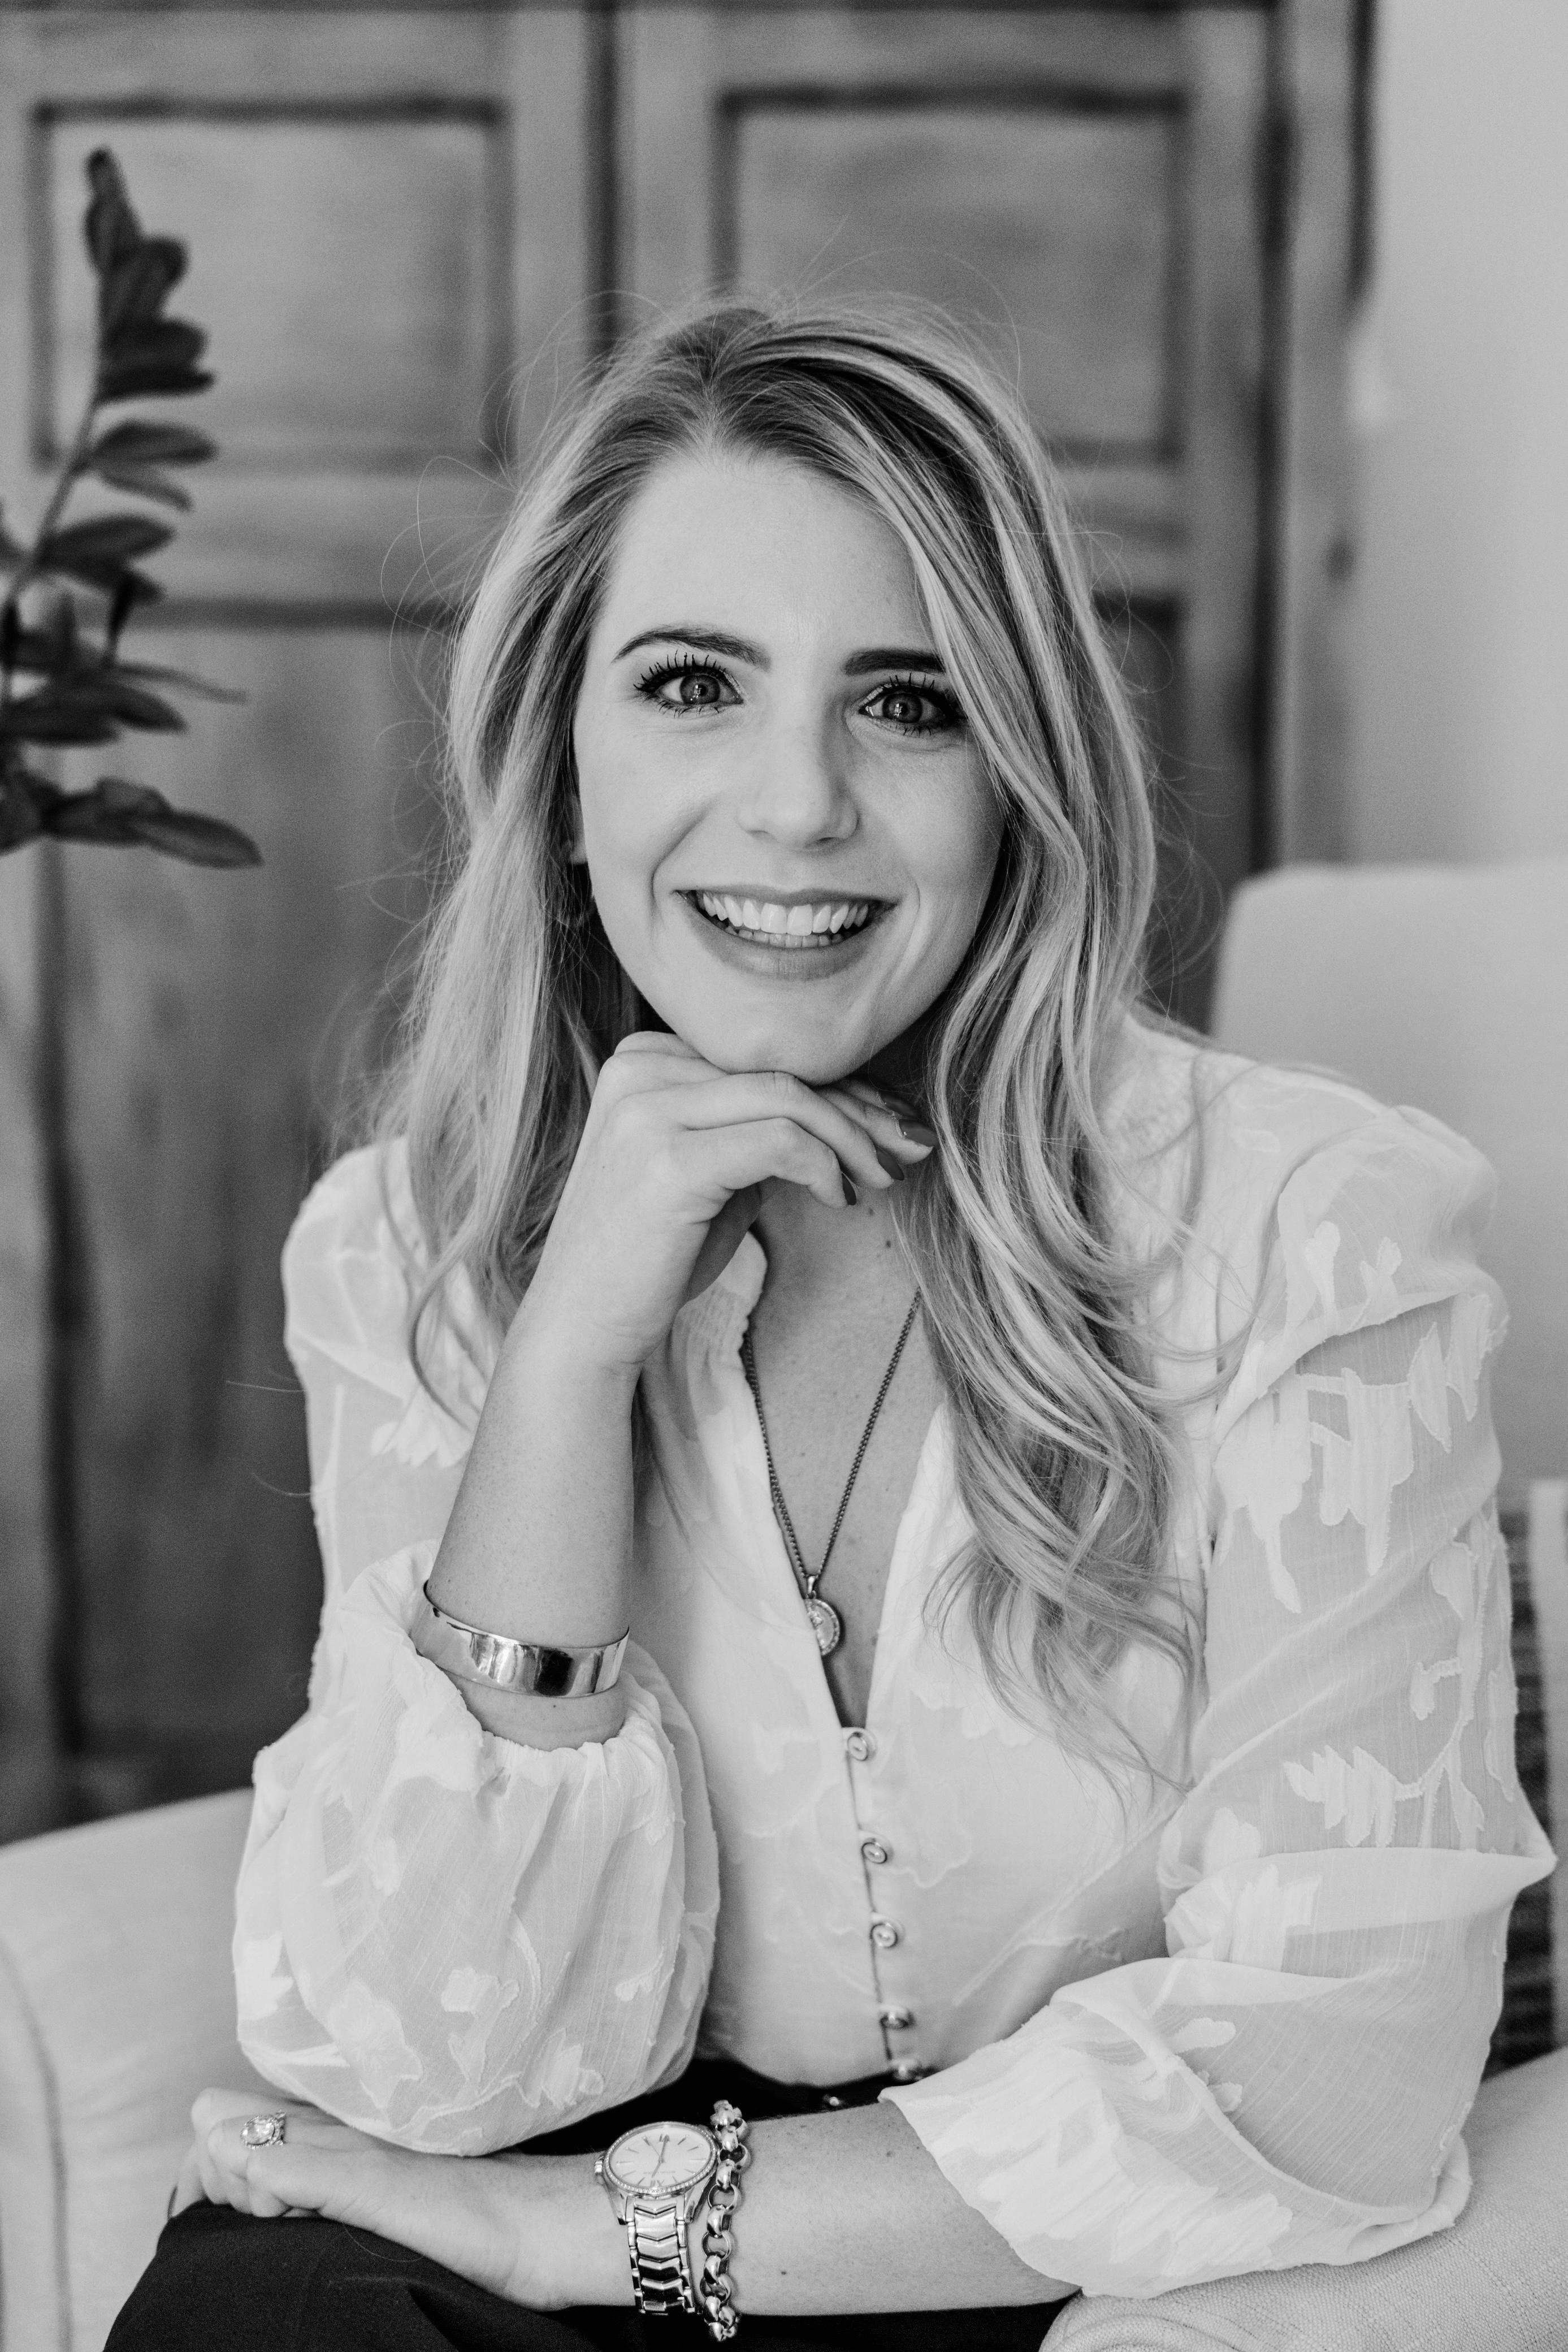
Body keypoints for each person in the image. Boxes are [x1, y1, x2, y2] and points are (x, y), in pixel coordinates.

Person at [110, 300, 1552, 2352]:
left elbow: (1334, 2062)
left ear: (1019, 777)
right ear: (561, 761)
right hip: (562, 2196)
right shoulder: (406, 1249)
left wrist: (579, 2235)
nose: (797, 806)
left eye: (909, 700)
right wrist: (565, 1365)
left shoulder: (1308, 1233)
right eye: (693, 685)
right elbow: (430, 2063)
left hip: (1048, 2244)